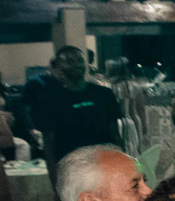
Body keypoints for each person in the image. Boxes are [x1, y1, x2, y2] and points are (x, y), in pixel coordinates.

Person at [27, 46, 122, 187]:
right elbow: (49, 147)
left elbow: (116, 136)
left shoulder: (104, 94)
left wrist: (125, 169)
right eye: (69, 61)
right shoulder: (49, 100)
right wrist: (56, 186)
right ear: (59, 67)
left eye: (79, 60)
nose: (76, 64)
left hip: (105, 167)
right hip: (72, 172)